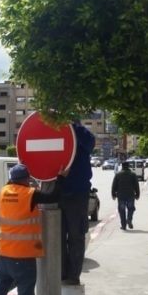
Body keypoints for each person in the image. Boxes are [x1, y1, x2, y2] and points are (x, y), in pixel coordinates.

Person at [0, 164, 64, 295]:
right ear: (26, 179)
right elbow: (54, 196)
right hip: (23, 256)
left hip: (4, 253)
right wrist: (60, 177)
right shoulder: (29, 194)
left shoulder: (3, 191)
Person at [60, 119, 95, 286]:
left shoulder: (80, 133)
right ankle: (61, 273)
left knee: (76, 236)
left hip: (77, 193)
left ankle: (72, 275)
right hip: (56, 192)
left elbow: (90, 142)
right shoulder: (53, 131)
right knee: (56, 237)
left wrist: (71, 127)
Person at [112, 161, 140, 230]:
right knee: (131, 208)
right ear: (128, 166)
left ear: (122, 166)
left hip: (121, 195)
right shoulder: (133, 174)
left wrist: (113, 194)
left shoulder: (118, 174)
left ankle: (123, 225)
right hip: (130, 195)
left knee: (122, 210)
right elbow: (136, 185)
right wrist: (137, 194)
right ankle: (129, 219)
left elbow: (114, 185)